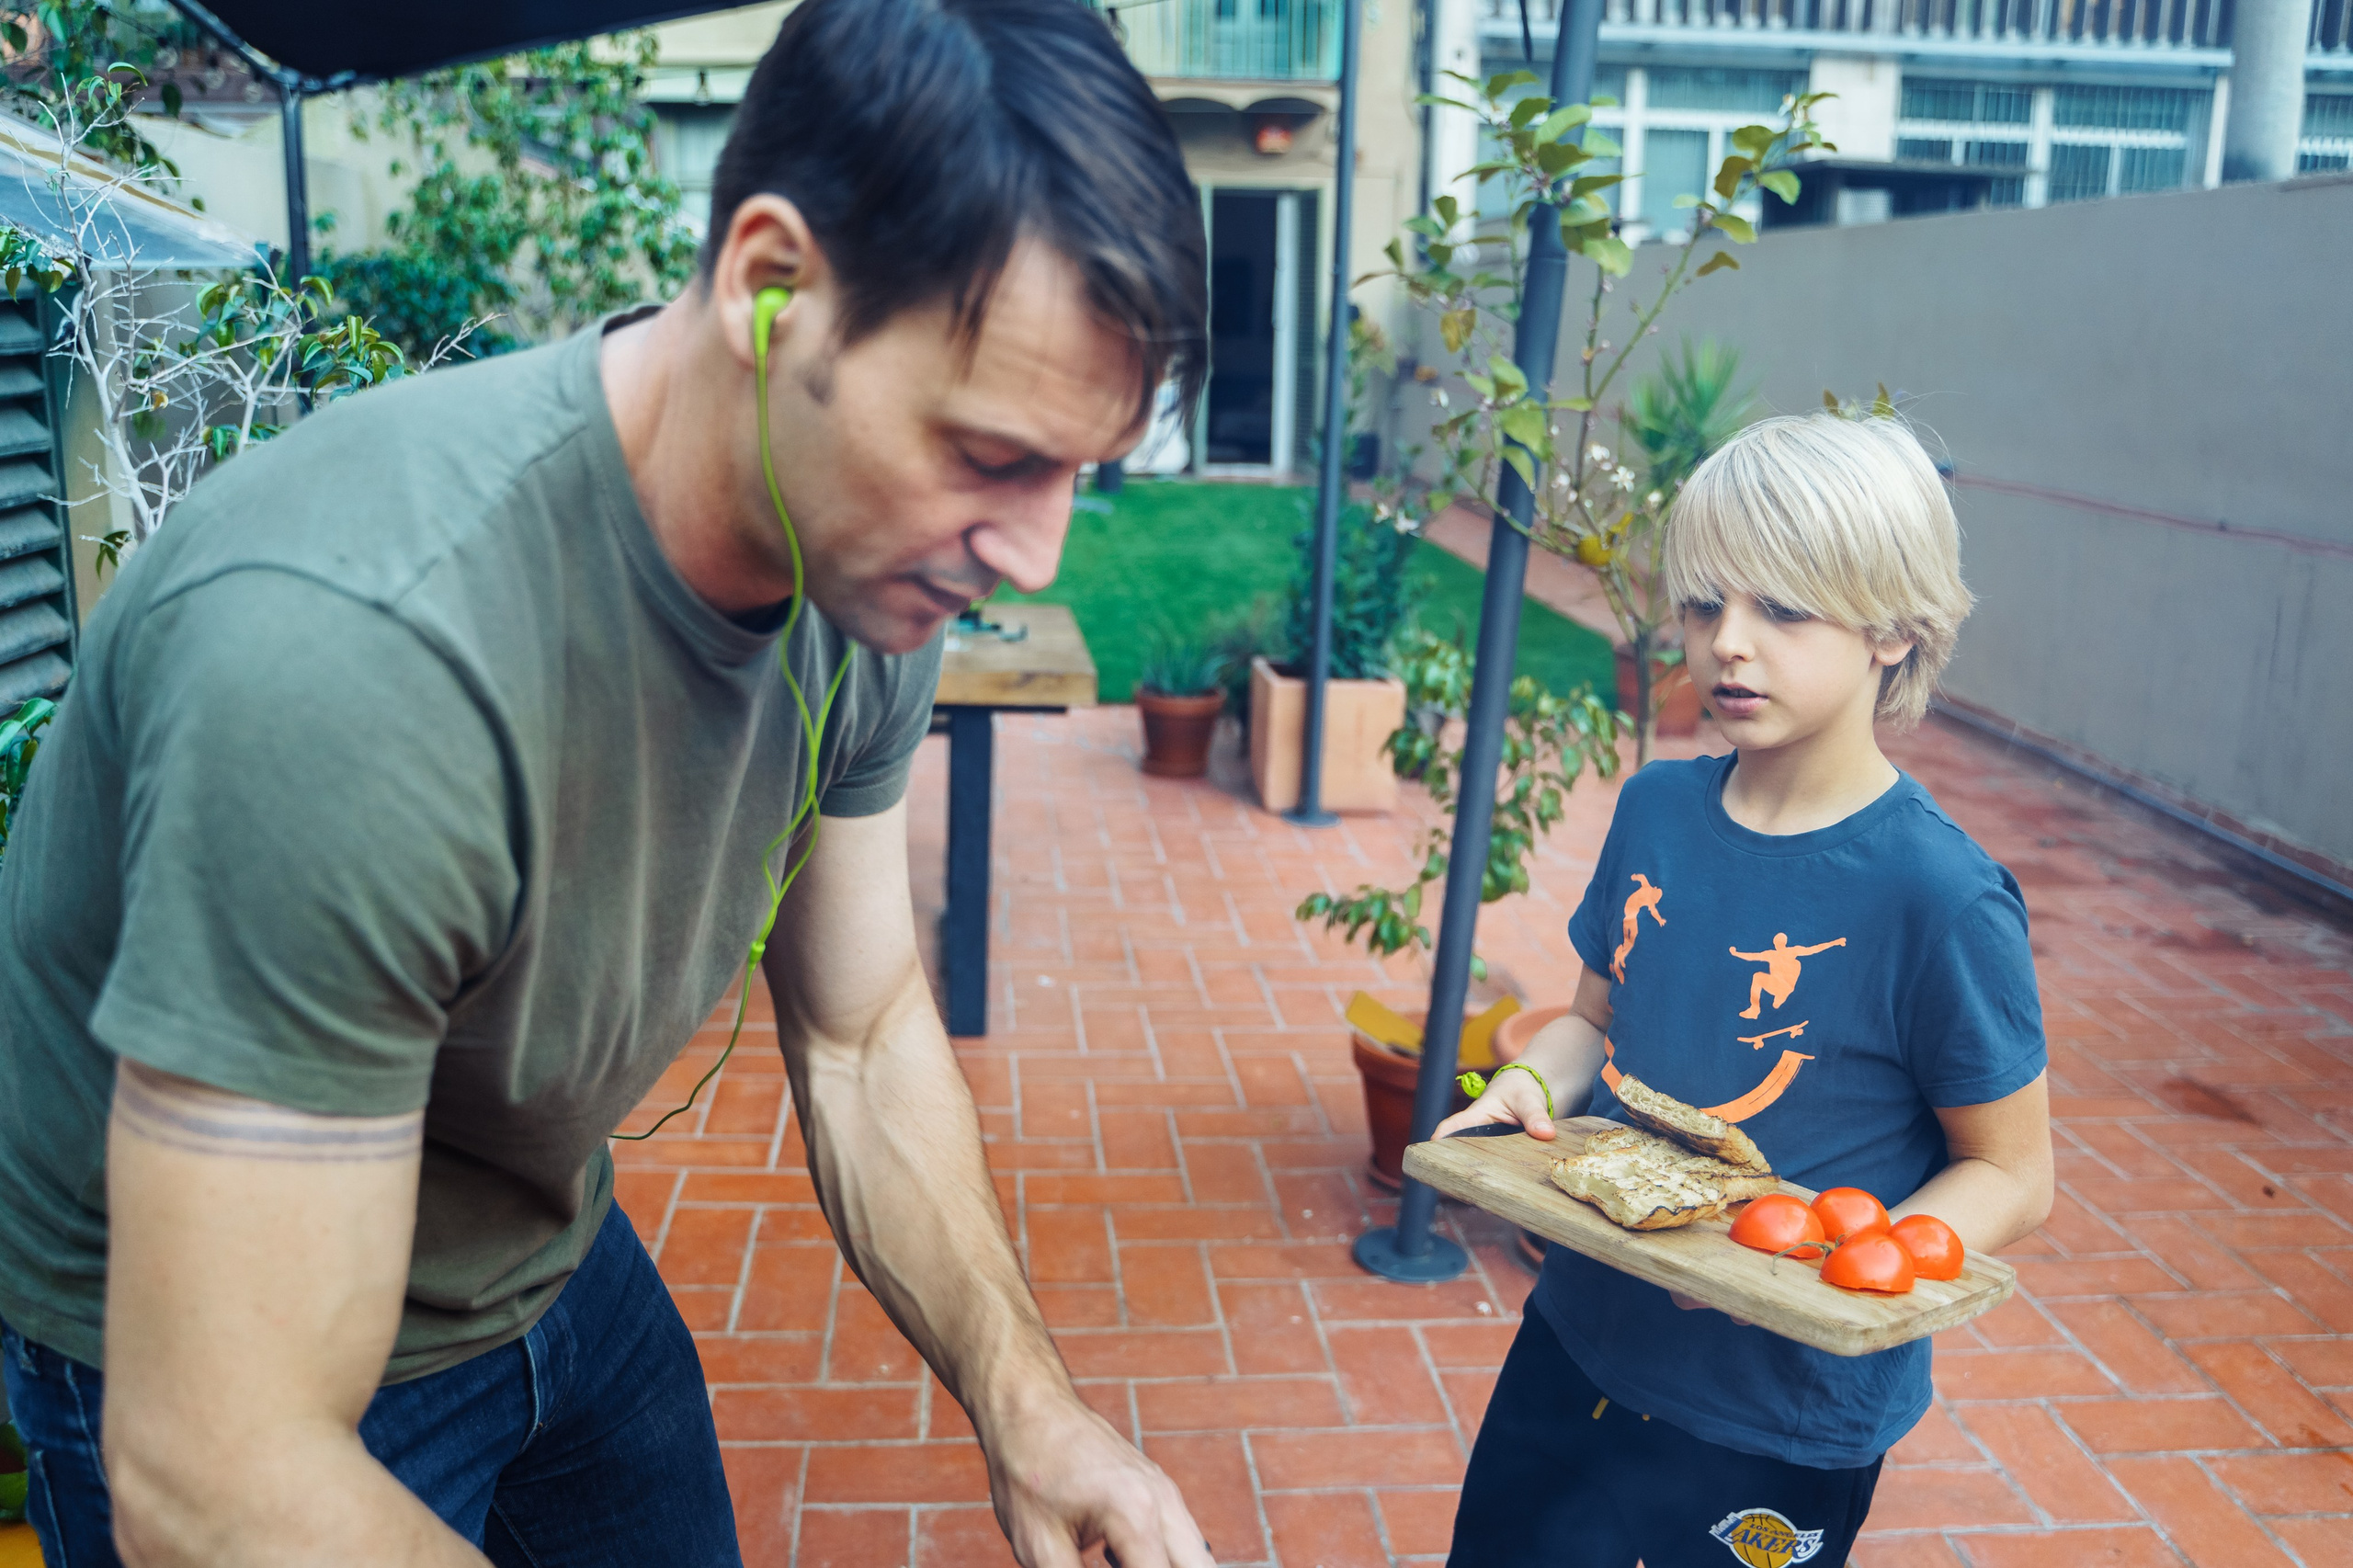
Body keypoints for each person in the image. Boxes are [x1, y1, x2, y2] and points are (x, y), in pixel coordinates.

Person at [0, 1, 1213, 1564]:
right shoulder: (358, 655)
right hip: (205, 1344)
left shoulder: (863, 556)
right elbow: (216, 1472)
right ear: (774, 291)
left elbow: (856, 1032)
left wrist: (1028, 1402)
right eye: (990, 457)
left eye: (1073, 471)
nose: (1032, 555)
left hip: (542, 1246)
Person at [1438, 414, 2054, 1568]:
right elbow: (1590, 1019)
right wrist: (1523, 1084)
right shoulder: (1656, 810)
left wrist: (1824, 1271)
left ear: (1892, 628)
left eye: (1782, 609)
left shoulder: (1940, 895)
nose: (1727, 643)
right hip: (1580, 1332)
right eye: (1703, 603)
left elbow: (2013, 1173)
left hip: (1781, 1416)